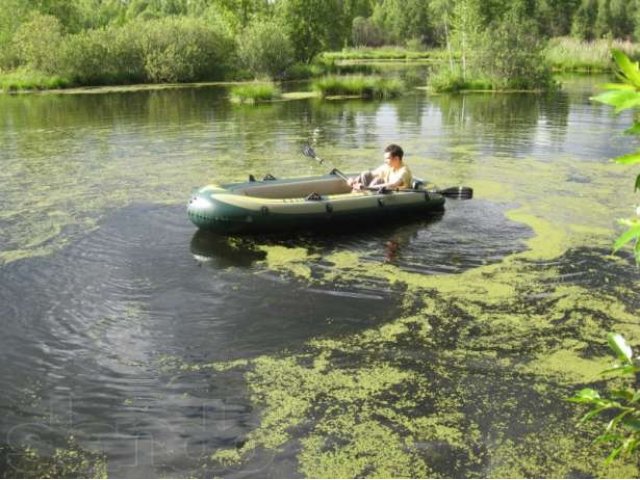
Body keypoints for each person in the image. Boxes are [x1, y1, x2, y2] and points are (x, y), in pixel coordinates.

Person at [347, 144, 412, 191]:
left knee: (377, 181)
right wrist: (354, 180)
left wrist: (367, 187)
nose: (385, 161)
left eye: (387, 159)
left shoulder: (404, 171)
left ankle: (364, 193)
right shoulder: (388, 166)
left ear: (396, 159)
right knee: (365, 174)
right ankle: (362, 193)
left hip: (396, 195)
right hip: (382, 191)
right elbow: (371, 174)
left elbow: (393, 184)